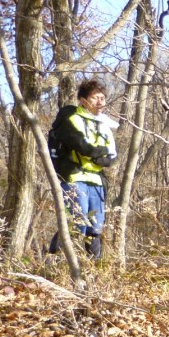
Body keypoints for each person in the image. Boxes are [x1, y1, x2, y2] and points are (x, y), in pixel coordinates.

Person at [47, 79, 118, 259]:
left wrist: (98, 155)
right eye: (95, 98)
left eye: (103, 98)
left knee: (95, 228)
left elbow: (110, 156)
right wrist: (96, 153)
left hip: (96, 180)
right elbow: (80, 144)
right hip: (74, 178)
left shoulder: (103, 124)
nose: (100, 102)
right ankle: (53, 260)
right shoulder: (70, 117)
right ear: (83, 100)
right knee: (76, 224)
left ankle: (93, 270)